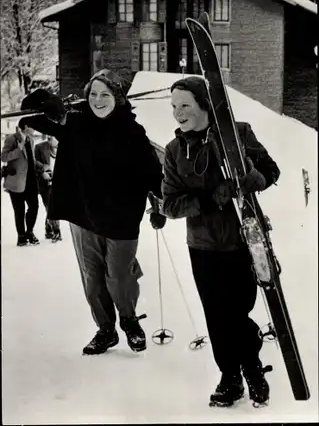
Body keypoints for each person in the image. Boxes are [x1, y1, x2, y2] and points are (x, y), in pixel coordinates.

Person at [18, 68, 166, 355]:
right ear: (86, 98)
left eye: (105, 95)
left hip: (122, 218)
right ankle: (106, 330)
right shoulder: (74, 123)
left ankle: (129, 321)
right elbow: (32, 114)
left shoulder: (132, 131)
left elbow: (152, 172)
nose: (99, 100)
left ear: (118, 98)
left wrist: (159, 206)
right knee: (93, 279)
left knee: (119, 277)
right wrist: (44, 99)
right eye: (94, 95)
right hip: (84, 215)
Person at [161, 76, 280, 407]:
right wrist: (209, 200)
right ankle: (233, 376)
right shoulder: (174, 151)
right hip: (203, 246)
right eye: (173, 106)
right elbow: (169, 204)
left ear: (203, 104)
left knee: (238, 310)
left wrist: (252, 179)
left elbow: (271, 170)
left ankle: (251, 366)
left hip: (245, 240)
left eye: (184, 105)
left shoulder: (238, 133)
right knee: (217, 313)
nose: (178, 113)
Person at [1, 119, 40, 246]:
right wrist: (19, 148)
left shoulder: (31, 140)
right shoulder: (12, 139)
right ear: (26, 126)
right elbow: (3, 157)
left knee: (34, 207)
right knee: (19, 210)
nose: (35, 130)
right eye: (33, 127)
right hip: (16, 181)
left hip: (31, 181)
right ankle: (21, 237)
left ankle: (29, 232)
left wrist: (42, 167)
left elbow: (31, 160)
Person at [35, 135, 62, 242]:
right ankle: (56, 231)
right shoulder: (39, 147)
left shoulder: (64, 147)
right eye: (49, 136)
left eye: (53, 136)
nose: (49, 138)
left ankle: (48, 229)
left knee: (54, 205)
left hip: (60, 183)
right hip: (45, 182)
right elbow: (33, 163)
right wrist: (42, 172)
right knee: (51, 207)